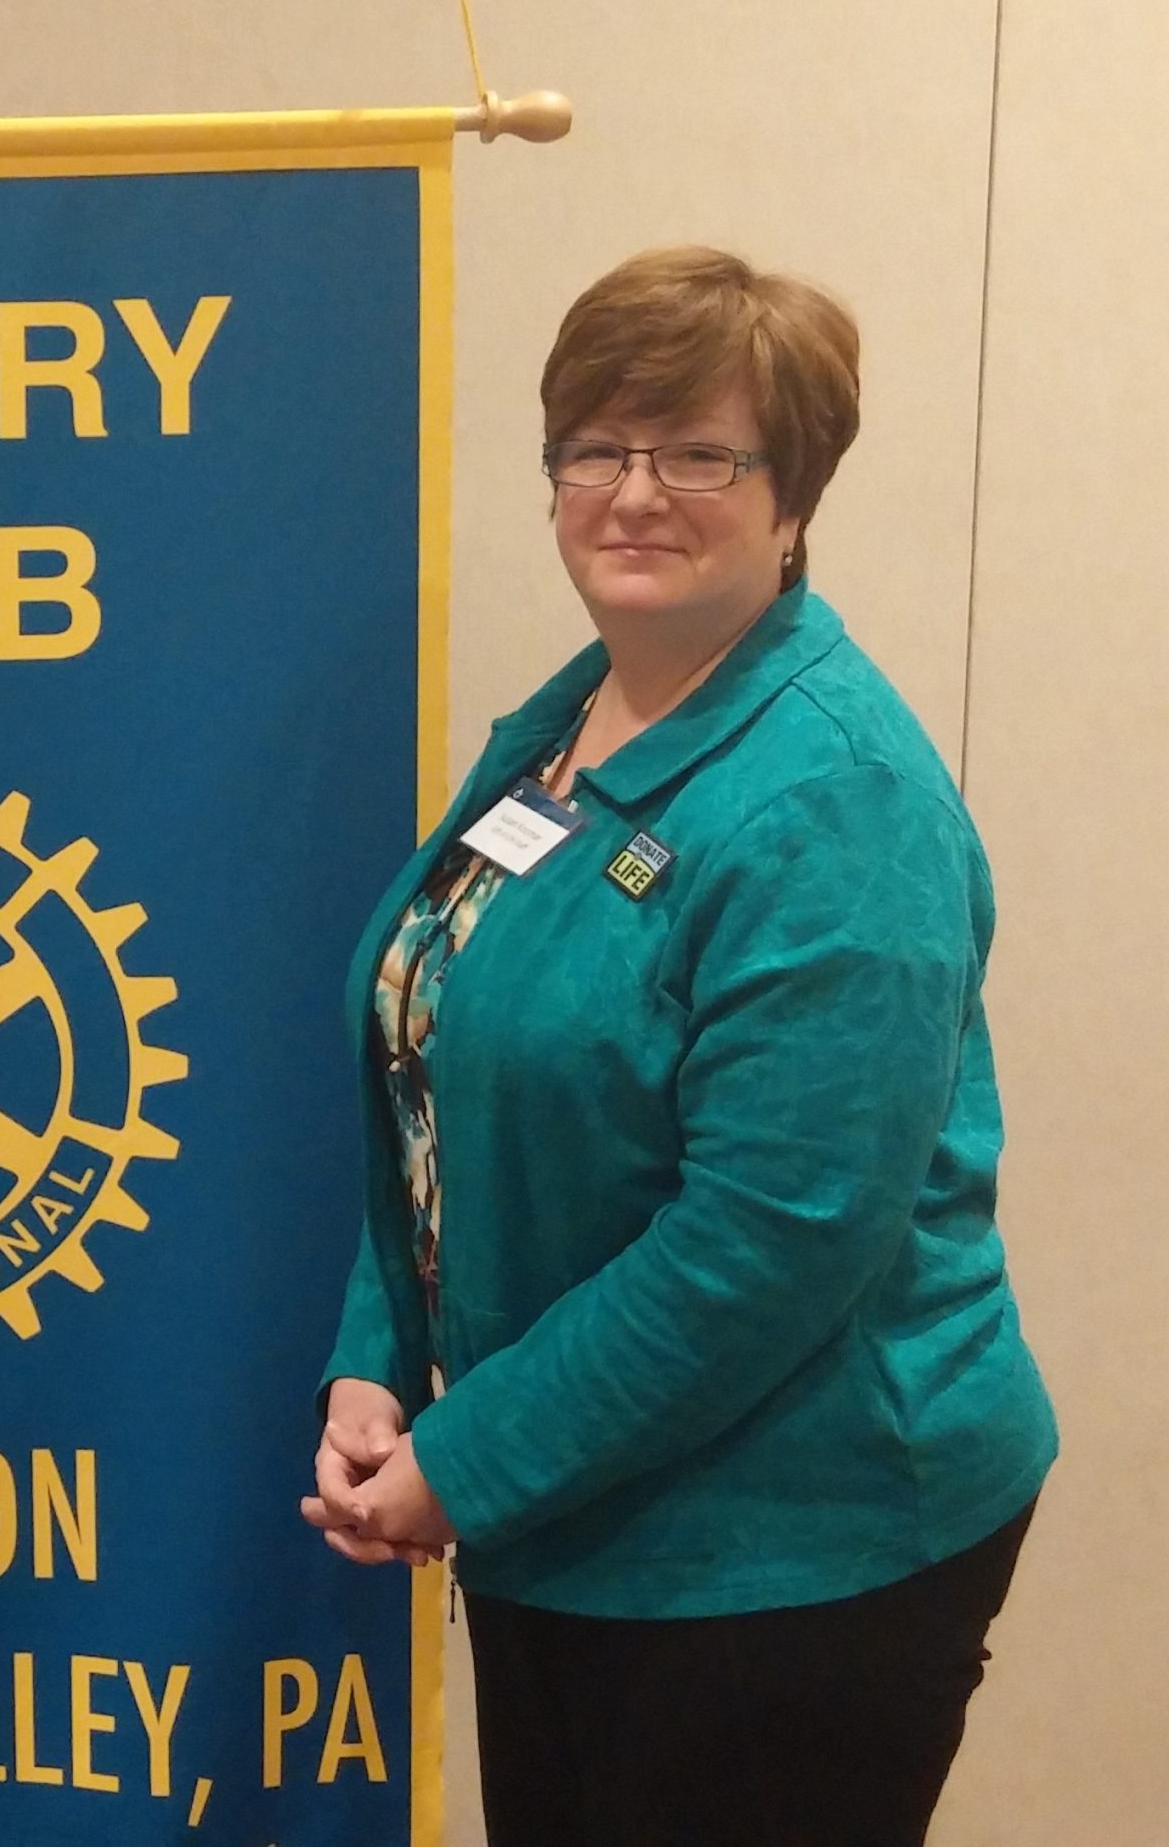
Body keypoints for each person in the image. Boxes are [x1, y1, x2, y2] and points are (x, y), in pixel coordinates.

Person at [301, 246, 1057, 1847]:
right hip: (571, 1501)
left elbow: (770, 1241)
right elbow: (441, 1058)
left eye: (701, 452)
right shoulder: (586, 714)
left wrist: (465, 1452)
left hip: (791, 1547)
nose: (635, 493)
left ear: (795, 500)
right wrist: (385, 1356)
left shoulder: (835, 802)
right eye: (598, 447)